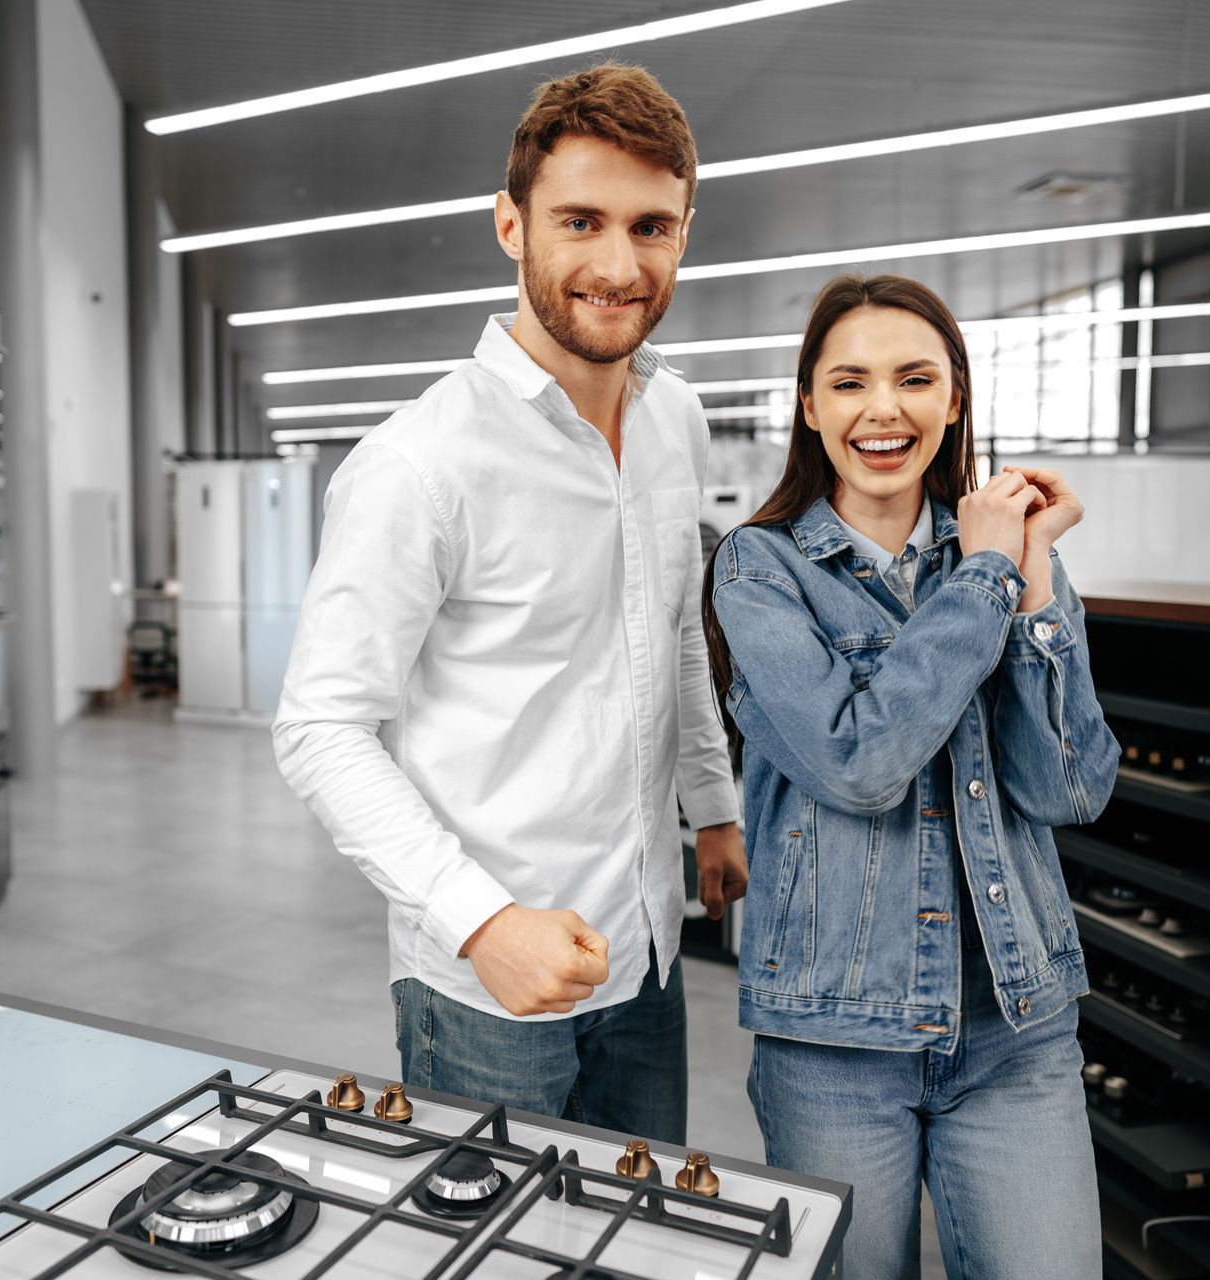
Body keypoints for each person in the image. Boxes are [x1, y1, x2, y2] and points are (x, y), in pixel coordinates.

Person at [272, 63, 745, 1145]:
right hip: (482, 988)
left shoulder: (676, 418)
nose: (619, 265)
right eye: (580, 220)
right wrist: (484, 922)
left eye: (652, 226)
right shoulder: (419, 461)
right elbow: (319, 729)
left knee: (638, 1240)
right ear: (509, 224)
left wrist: (710, 808)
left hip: (646, 948)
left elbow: (675, 621)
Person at [703, 272, 1119, 1278]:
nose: (882, 408)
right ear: (810, 406)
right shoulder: (760, 570)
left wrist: (1033, 586)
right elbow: (859, 761)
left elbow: (1069, 788)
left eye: (914, 378)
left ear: (954, 398)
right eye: (849, 382)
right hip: (833, 1038)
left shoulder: (1007, 561)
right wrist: (984, 575)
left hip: (1017, 1028)